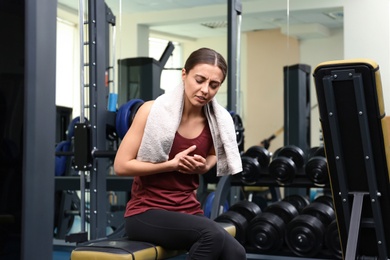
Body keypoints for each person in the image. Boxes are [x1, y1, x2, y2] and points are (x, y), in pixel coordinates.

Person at [114, 47, 246, 260]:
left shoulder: (216, 121)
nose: (205, 90)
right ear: (184, 74)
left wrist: (205, 166)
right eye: (199, 80)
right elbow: (121, 165)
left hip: (187, 209)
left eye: (214, 85)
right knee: (211, 235)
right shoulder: (150, 111)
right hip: (146, 212)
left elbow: (213, 155)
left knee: (236, 253)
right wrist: (171, 165)